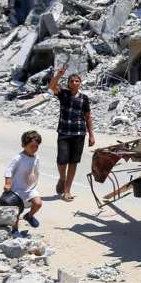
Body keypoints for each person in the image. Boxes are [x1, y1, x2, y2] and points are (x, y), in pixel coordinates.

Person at [48, 66, 95, 202]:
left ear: (80, 83)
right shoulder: (64, 94)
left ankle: (67, 190)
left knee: (73, 162)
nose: (74, 83)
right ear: (68, 83)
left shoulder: (84, 98)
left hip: (79, 133)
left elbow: (88, 117)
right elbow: (51, 87)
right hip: (64, 132)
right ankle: (62, 178)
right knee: (62, 160)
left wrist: (91, 135)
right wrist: (58, 75)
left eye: (77, 81)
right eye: (72, 81)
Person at [3, 130, 44, 236]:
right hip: (17, 189)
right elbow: (9, 170)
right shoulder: (19, 158)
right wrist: (8, 183)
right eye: (31, 146)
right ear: (23, 145)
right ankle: (15, 229)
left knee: (38, 203)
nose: (34, 149)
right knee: (17, 211)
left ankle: (29, 216)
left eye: (36, 146)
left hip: (30, 188)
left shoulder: (36, 157)